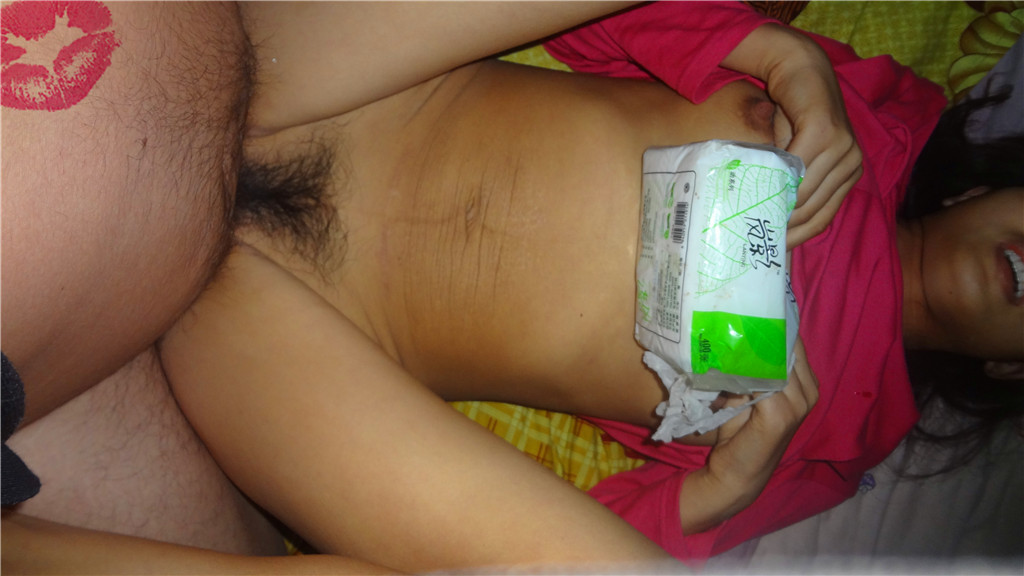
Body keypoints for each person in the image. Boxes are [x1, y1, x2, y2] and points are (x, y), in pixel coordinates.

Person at [151, 0, 1016, 572]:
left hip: (282, 328)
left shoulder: (839, 446)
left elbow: (588, 536)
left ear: (1013, 371)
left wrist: (720, 487)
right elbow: (599, 27)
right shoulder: (887, 112)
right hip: (308, 84)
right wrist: (780, 56)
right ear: (981, 190)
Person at [3, 1, 696, 573]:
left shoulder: (753, 450)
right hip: (320, 91)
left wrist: (698, 502)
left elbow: (611, 515)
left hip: (278, 333)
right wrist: (735, 41)